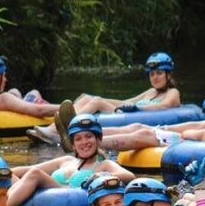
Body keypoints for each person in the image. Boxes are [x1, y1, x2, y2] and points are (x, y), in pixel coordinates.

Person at [27, 52, 181, 147]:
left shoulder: (172, 92)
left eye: (159, 73)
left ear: (168, 74)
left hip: (137, 117)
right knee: (89, 98)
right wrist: (96, 98)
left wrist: (138, 109)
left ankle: (54, 130)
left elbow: (166, 105)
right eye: (152, 74)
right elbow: (126, 101)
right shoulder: (150, 92)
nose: (155, 77)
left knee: (97, 101)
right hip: (127, 113)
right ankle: (57, 128)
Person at [0, 114, 135, 206]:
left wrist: (102, 175)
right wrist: (0, 173)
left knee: (35, 174)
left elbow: (129, 176)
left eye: (88, 136)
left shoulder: (103, 164)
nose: (84, 142)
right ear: (73, 145)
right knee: (8, 173)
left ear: (98, 140)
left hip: (71, 198)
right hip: (46, 197)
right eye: (78, 139)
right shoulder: (65, 161)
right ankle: (3, 204)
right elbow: (20, 171)